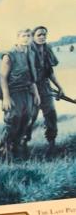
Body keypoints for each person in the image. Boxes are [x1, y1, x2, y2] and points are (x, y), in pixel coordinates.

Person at [0, 28, 41, 161]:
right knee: (13, 120)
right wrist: (6, 97)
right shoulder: (9, 55)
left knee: (26, 119)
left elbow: (31, 76)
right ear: (18, 38)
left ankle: (16, 150)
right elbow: (2, 78)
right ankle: (3, 153)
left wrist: (36, 94)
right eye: (24, 36)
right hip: (13, 92)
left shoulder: (31, 53)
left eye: (29, 36)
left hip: (27, 91)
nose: (27, 38)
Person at [29, 25, 63, 154]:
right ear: (33, 36)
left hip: (45, 87)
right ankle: (22, 144)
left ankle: (52, 144)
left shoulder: (47, 48)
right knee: (29, 118)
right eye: (39, 35)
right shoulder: (28, 50)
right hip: (30, 89)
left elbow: (50, 72)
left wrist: (60, 87)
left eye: (44, 34)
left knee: (51, 115)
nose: (42, 37)